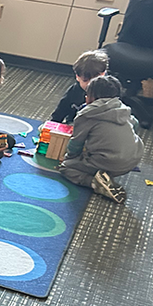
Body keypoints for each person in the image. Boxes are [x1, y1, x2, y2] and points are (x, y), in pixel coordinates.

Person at [57, 75, 142, 205]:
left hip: (108, 162)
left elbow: (76, 142)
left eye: (87, 95)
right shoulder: (123, 108)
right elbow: (135, 125)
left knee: (66, 168)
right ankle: (105, 174)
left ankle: (94, 183)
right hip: (132, 160)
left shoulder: (86, 114)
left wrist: (69, 158)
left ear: (92, 97)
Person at [51, 49, 108, 124]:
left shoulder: (109, 93)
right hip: (73, 125)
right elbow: (59, 113)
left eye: (94, 80)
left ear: (103, 74)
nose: (89, 85)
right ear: (77, 77)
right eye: (85, 80)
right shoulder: (74, 91)